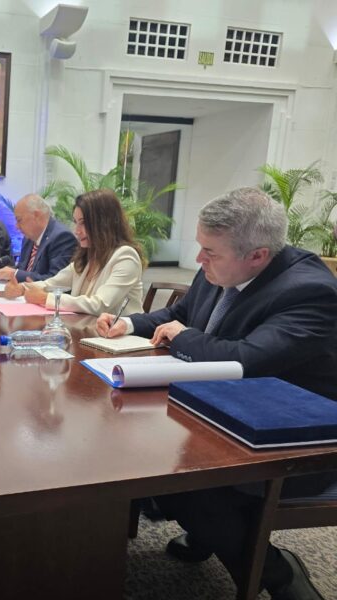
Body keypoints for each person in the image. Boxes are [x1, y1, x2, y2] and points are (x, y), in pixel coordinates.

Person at [97, 187, 337, 600]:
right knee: (132, 444)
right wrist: (130, 324)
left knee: (180, 478)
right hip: (222, 409)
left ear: (258, 256)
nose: (198, 259)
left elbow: (246, 361)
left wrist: (183, 337)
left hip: (294, 437)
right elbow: (179, 315)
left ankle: (277, 572)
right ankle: (210, 532)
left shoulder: (309, 291)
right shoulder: (222, 265)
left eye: (209, 252)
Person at [7, 189, 143, 315]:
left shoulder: (126, 257)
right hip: (87, 329)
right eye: (76, 222)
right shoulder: (88, 256)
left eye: (82, 223)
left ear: (103, 223)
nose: (76, 231)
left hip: (122, 333)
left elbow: (101, 304)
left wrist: (46, 298)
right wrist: (22, 289)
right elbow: (51, 284)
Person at [0, 193, 76, 282]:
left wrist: (15, 274)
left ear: (36, 215)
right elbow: (22, 269)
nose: (17, 226)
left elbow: (56, 281)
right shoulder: (29, 238)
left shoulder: (62, 237)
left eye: (19, 220)